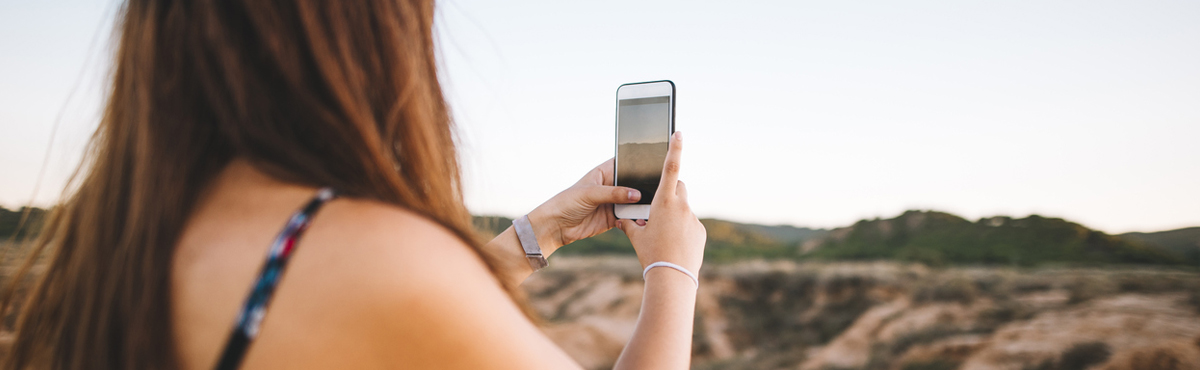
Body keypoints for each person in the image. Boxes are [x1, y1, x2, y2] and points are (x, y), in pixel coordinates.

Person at [0, 1, 707, 369]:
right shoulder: (360, 252)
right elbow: (382, 292)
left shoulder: (129, 236)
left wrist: (542, 230)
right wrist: (672, 272)